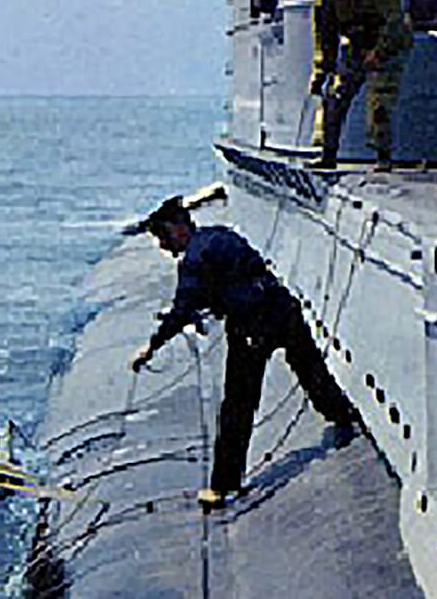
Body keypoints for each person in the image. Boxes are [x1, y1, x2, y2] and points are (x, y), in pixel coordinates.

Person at [129, 198, 357, 510]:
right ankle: (342, 415)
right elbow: (234, 278)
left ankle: (222, 486)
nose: (163, 246)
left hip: (252, 325)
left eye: (163, 238)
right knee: (310, 370)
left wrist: (150, 348)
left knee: (238, 404)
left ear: (178, 229)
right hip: (283, 307)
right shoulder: (219, 235)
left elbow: (184, 307)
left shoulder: (193, 259)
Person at [301, 0, 413, 170]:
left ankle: (383, 156)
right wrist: (321, 74)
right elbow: (325, 41)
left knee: (380, 102)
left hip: (389, 45)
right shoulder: (325, 2)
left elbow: (395, 20)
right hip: (358, 47)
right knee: (335, 98)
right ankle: (328, 155)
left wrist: (379, 52)